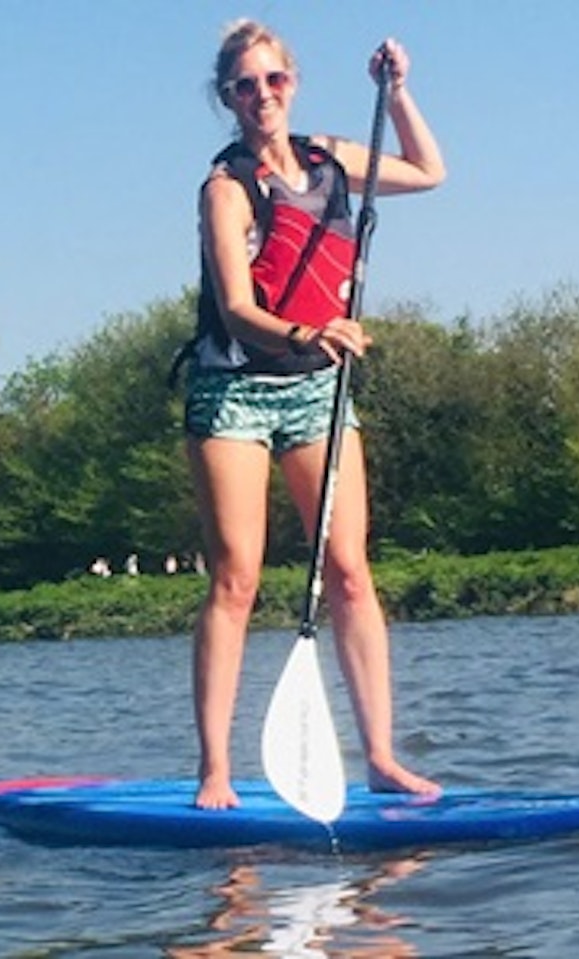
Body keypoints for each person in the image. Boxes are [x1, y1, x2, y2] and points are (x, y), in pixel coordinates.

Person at [185, 21, 445, 809]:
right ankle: (215, 771)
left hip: (317, 391)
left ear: (291, 82)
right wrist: (311, 331)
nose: (262, 96)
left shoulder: (332, 156)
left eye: (274, 81)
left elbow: (430, 171)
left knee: (351, 573)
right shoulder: (226, 188)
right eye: (244, 85)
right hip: (234, 391)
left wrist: (396, 94)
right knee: (236, 577)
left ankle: (381, 756)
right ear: (225, 98)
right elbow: (234, 309)